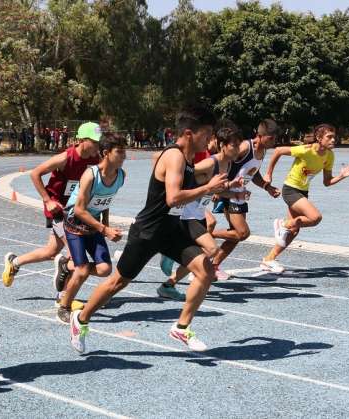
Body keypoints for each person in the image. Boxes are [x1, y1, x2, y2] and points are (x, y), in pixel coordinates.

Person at [69, 105, 232, 354]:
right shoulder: (175, 156)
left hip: (172, 231)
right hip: (148, 231)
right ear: (189, 133)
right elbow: (173, 198)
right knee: (116, 283)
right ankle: (80, 320)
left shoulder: (188, 160)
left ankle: (182, 327)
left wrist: (221, 188)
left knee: (206, 270)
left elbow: (192, 192)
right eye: (207, 133)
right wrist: (208, 188)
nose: (209, 139)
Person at [0, 122, 101, 296]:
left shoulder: (95, 159)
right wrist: (48, 201)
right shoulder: (65, 158)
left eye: (99, 142)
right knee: (73, 253)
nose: (97, 145)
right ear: (83, 140)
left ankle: (14, 262)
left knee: (51, 251)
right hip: (58, 210)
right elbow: (35, 173)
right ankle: (63, 298)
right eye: (94, 141)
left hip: (75, 211)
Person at [157, 123, 243, 300]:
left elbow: (214, 190)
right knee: (211, 249)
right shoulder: (210, 163)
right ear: (221, 145)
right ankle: (171, 252)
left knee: (199, 255)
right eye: (233, 145)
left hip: (198, 213)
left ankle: (169, 284)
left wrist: (234, 192)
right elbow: (187, 175)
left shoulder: (227, 166)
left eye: (238, 145)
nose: (237, 149)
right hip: (186, 214)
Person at [260, 124, 349, 273]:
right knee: (315, 217)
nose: (333, 139)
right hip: (290, 190)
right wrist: (269, 174)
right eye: (329, 137)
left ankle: (269, 259)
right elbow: (278, 150)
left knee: (294, 230)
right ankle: (282, 224)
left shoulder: (329, 155)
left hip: (303, 192)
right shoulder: (305, 150)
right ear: (319, 138)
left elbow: (327, 182)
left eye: (334, 136)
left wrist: (342, 176)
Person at [55, 133, 127, 323]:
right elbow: (79, 210)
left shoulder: (120, 176)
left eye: (124, 152)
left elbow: (106, 201)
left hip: (93, 225)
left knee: (104, 269)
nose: (124, 156)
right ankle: (64, 305)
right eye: (119, 152)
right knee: (83, 270)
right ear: (106, 153)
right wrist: (105, 230)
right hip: (74, 223)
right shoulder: (90, 175)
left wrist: (107, 225)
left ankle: (66, 265)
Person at [210, 119, 281, 279]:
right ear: (260, 135)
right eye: (271, 138)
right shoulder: (244, 147)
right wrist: (218, 186)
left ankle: (213, 266)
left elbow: (253, 173)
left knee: (235, 236)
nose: (273, 141)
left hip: (240, 195)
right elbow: (222, 160)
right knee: (242, 233)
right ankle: (208, 234)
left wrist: (267, 187)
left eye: (275, 138)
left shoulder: (262, 152)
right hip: (229, 193)